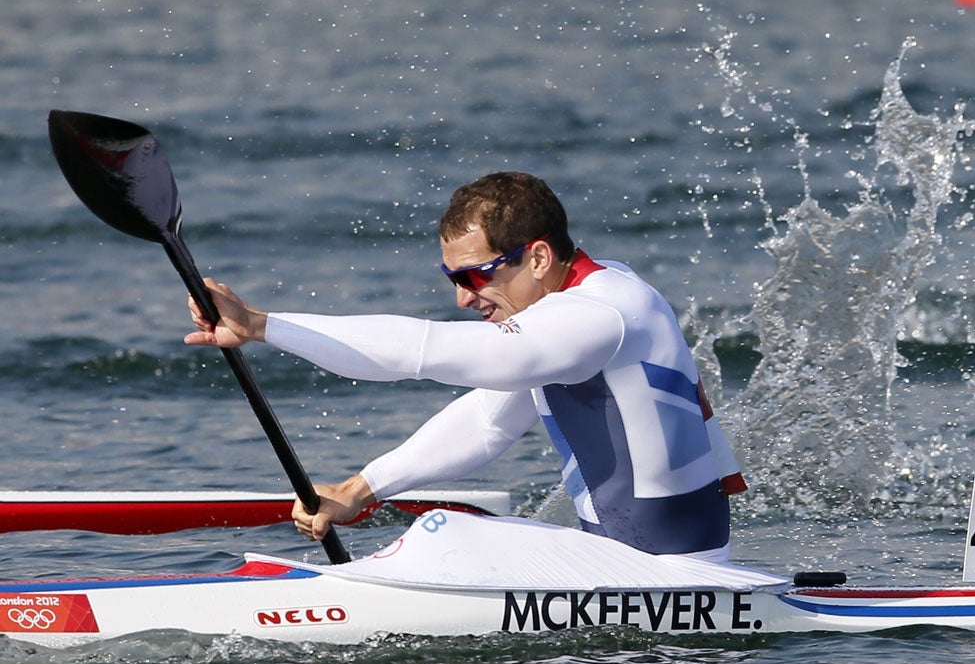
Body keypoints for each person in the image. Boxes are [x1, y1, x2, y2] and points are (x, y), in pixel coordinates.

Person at [185, 172, 745, 560]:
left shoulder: (598, 316)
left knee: (443, 532)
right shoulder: (587, 297)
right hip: (639, 569)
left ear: (539, 257)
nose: (463, 297)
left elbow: (422, 351)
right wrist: (363, 488)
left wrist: (262, 326)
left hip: (665, 579)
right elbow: (489, 422)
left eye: (475, 276)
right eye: (454, 279)